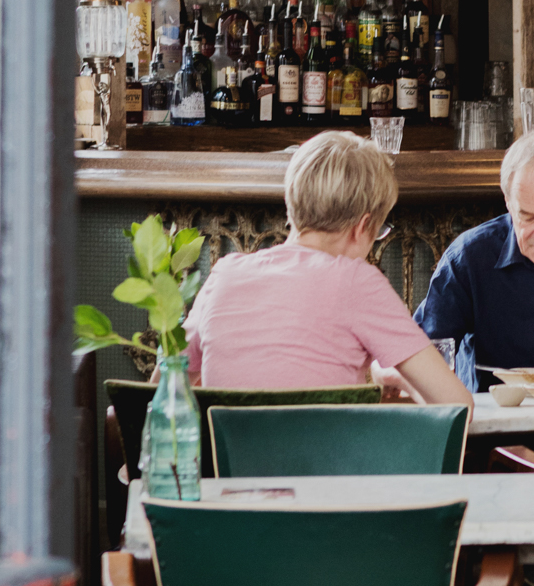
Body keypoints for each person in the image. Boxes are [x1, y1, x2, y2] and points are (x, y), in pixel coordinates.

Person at [183, 130, 467, 404]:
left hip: (225, 454)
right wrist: (395, 377)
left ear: (290, 202)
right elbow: (457, 406)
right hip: (326, 453)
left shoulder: (223, 274)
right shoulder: (358, 281)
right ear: (363, 226)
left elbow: (160, 392)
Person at [413, 128, 534, 386]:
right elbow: (425, 353)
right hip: (494, 421)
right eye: (527, 216)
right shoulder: (470, 258)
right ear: (507, 201)